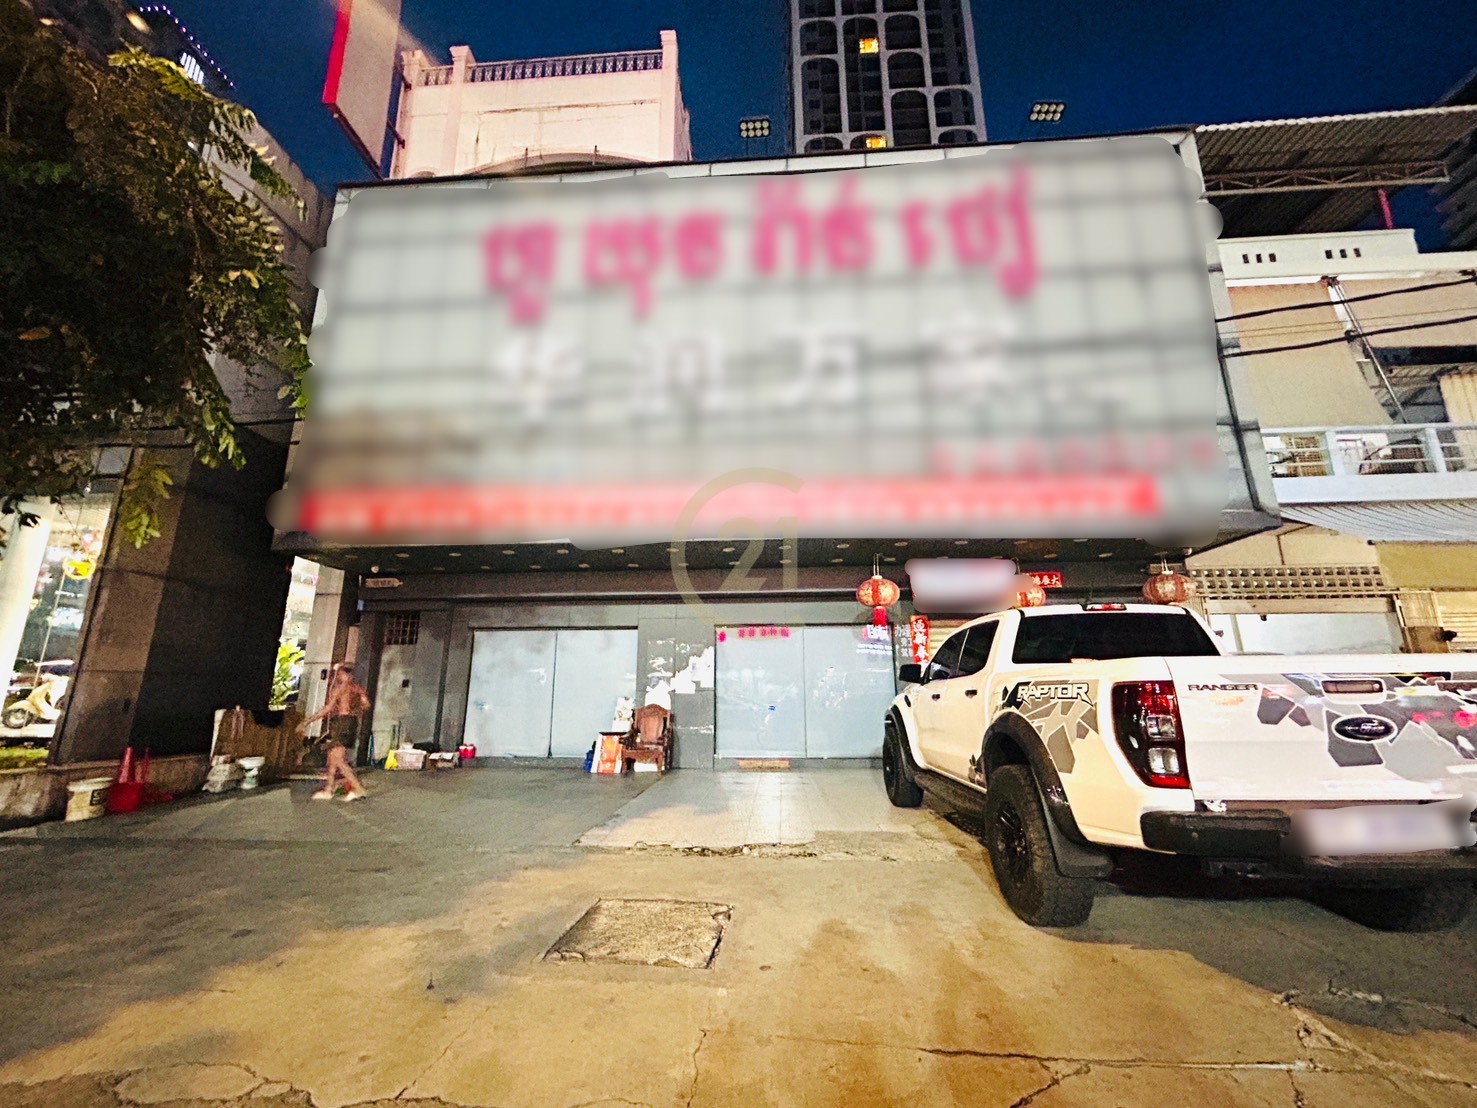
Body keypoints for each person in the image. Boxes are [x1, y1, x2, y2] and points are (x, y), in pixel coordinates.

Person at [297, 663, 370, 801]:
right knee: (332, 757)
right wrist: (354, 712)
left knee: (339, 760)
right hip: (351, 722)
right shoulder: (358, 688)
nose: (338, 676)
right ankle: (329, 789)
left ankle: (358, 789)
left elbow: (327, 708)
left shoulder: (341, 688)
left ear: (344, 674)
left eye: (340, 673)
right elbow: (366, 705)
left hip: (342, 723)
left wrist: (307, 721)